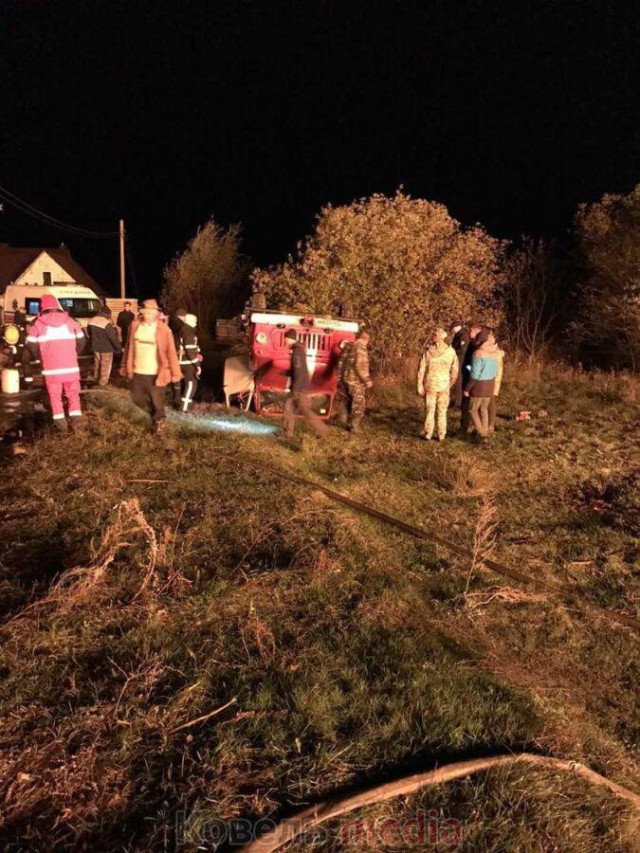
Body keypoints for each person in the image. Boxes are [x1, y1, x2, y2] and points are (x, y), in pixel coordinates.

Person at [26, 294, 86, 432]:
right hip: (70, 366)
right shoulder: (70, 321)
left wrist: (41, 358)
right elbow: (82, 340)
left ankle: (62, 429)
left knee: (55, 397)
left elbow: (31, 345)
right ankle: (77, 425)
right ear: (56, 305)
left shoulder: (38, 324)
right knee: (73, 395)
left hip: (51, 369)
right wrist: (74, 353)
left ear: (42, 307)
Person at [122, 298, 181, 435]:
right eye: (146, 311)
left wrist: (175, 372)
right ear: (142, 312)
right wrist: (124, 364)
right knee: (137, 398)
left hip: (156, 373)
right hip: (137, 371)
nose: (148, 314)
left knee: (157, 400)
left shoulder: (164, 329)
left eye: (151, 312)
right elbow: (128, 346)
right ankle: (155, 416)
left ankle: (159, 422)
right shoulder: (134, 326)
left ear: (156, 313)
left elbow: (171, 351)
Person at [282, 328, 328, 439]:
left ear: (290, 339)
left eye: (286, 339)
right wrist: (287, 372)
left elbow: (298, 371)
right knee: (289, 408)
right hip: (300, 386)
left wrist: (295, 388)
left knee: (304, 410)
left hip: (299, 387)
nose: (285, 342)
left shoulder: (297, 352)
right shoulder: (298, 350)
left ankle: (323, 430)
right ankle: (288, 433)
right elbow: (299, 369)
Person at [416, 327, 459, 441]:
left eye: (435, 335)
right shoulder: (451, 352)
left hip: (430, 384)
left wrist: (420, 384)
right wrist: (450, 383)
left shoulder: (428, 351)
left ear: (439, 337)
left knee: (430, 409)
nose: (434, 336)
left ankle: (428, 433)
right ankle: (441, 434)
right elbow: (455, 371)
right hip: (444, 384)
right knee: (442, 410)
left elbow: (421, 369)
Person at [463, 329, 500, 440]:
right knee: (483, 410)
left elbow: (475, 374)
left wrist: (467, 388)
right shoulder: (495, 354)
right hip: (490, 385)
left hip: (479, 386)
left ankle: (482, 434)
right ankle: (485, 431)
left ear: (479, 341)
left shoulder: (478, 353)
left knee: (472, 410)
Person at [340, 330, 373, 433]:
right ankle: (355, 427)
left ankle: (345, 421)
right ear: (366, 340)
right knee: (359, 403)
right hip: (355, 381)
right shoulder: (360, 348)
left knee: (348, 401)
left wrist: (340, 377)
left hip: (346, 379)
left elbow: (340, 362)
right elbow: (360, 366)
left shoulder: (348, 346)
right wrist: (366, 380)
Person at [174, 313, 202, 412]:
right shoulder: (189, 332)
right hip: (187, 363)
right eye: (195, 321)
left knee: (184, 384)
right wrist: (197, 364)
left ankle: (181, 404)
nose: (196, 323)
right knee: (191, 384)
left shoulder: (181, 330)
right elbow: (190, 350)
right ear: (190, 321)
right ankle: (183, 409)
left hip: (180, 361)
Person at [87, 307, 122, 386]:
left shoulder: (91, 320)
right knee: (105, 366)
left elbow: (89, 333)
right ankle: (103, 382)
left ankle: (96, 378)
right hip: (106, 348)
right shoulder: (106, 323)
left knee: (97, 364)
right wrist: (119, 348)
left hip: (95, 346)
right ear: (108, 314)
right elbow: (112, 337)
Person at [459, 324, 484, 434]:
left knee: (467, 405)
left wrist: (467, 368)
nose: (469, 333)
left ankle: (465, 428)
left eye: (471, 331)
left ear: (476, 332)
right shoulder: (477, 345)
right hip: (474, 378)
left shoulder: (474, 346)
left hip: (471, 378)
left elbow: (472, 365)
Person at [449, 322, 470, 409]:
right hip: (459, 360)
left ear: (457, 327)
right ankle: (457, 400)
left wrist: (452, 353)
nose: (452, 330)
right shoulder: (459, 334)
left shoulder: (463, 335)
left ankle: (458, 402)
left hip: (460, 360)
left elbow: (462, 350)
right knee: (457, 380)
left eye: (453, 328)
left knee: (458, 380)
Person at [488, 342, 505, 433]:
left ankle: (490, 425)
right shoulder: (495, 354)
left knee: (490, 404)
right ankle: (489, 425)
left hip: (491, 383)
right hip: (491, 382)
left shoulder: (495, 355)